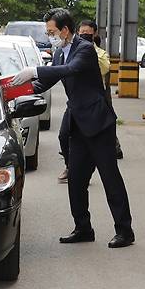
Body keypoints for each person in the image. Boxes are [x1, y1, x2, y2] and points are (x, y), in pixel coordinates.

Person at [13, 8, 134, 248]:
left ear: (65, 30)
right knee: (76, 180)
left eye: (52, 32)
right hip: (78, 126)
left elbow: (70, 70)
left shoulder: (84, 49)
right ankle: (83, 228)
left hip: (99, 125)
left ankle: (124, 231)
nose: (50, 36)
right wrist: (14, 90)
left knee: (111, 179)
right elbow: (44, 82)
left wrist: (34, 69)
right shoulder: (59, 53)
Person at [57, 20, 123, 183]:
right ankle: (70, 166)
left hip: (96, 104)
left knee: (104, 160)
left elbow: (104, 68)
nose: (84, 34)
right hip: (75, 104)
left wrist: (89, 50)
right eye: (82, 32)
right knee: (64, 135)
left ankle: (94, 162)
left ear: (94, 34)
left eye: (88, 32)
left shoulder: (99, 53)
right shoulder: (66, 51)